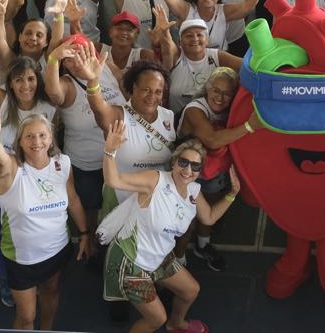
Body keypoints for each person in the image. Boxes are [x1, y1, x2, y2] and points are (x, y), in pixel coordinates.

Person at [98, 130, 240, 332]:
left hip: (159, 256)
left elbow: (209, 217)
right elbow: (114, 181)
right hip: (130, 261)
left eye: (195, 166)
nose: (188, 170)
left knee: (190, 291)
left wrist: (232, 194)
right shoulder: (154, 181)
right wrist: (110, 151)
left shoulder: (193, 191)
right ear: (174, 162)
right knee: (156, 319)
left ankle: (177, 324)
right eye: (183, 162)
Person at [0, 108, 89, 330]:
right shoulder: (11, 169)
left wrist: (85, 233)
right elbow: (0, 161)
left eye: (42, 135)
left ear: (51, 138)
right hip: (22, 260)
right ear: (20, 141)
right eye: (29, 136)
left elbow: (73, 199)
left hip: (56, 251)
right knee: (27, 316)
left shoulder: (62, 163)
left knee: (51, 292)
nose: (37, 141)